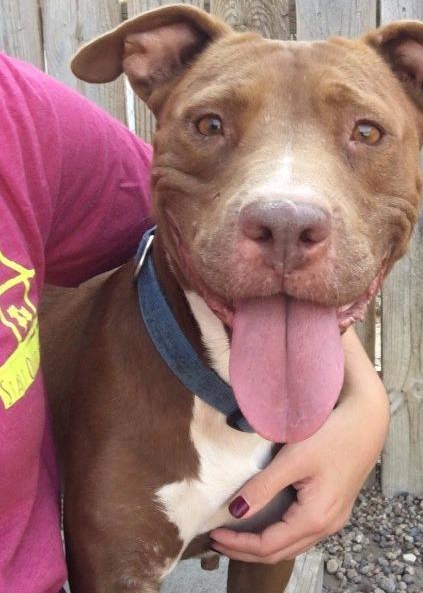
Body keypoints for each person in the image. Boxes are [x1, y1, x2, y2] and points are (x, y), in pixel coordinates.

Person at [0, 51, 390, 593]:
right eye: (211, 126)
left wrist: (366, 399)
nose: (285, 215)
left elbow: (166, 198)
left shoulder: (16, 119)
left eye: (367, 132)